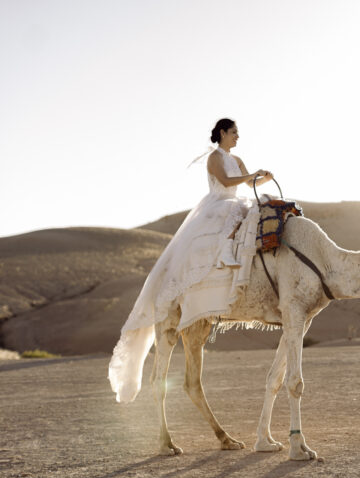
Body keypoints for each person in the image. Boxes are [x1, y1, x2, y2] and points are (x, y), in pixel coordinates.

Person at [109, 119, 273, 401]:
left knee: (259, 210)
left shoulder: (238, 158)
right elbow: (225, 182)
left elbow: (247, 182)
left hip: (234, 200)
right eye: (234, 132)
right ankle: (220, 259)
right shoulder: (214, 158)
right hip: (219, 203)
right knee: (233, 217)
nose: (237, 137)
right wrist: (250, 177)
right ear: (222, 133)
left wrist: (261, 178)